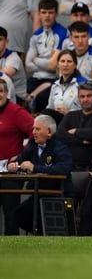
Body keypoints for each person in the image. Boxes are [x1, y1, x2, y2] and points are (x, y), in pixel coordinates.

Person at [7, 114, 73, 234]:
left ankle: (44, 234)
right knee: (18, 214)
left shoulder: (61, 148)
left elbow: (64, 168)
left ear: (49, 132)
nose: (33, 133)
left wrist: (35, 168)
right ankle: (40, 234)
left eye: (37, 129)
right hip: (38, 194)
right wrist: (13, 165)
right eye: (33, 129)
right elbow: (19, 160)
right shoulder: (33, 146)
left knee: (28, 214)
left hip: (57, 195)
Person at [56, 80, 92, 236]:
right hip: (70, 169)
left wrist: (75, 131)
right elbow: (60, 135)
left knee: (87, 210)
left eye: (89, 96)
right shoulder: (71, 115)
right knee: (68, 208)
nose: (85, 99)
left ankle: (84, 240)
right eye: (82, 96)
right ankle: (67, 239)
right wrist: (82, 139)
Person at [0, 79, 34, 235]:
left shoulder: (16, 112)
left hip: (10, 173)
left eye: (1, 91)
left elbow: (37, 133)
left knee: (10, 215)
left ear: (7, 93)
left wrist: (22, 155)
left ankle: (12, 249)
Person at [25, 0, 69, 113]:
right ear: (39, 14)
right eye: (44, 12)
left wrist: (36, 59)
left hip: (53, 79)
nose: (47, 16)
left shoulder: (62, 33)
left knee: (42, 99)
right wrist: (45, 62)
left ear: (56, 14)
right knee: (17, 96)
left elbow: (53, 67)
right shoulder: (36, 35)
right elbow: (28, 66)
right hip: (35, 78)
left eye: (50, 13)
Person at [43, 50, 87, 123]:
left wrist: (68, 112)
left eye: (69, 61)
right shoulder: (55, 86)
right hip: (58, 122)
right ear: (58, 64)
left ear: (75, 65)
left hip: (76, 122)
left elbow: (87, 109)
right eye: (62, 61)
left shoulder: (82, 84)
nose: (65, 64)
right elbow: (50, 108)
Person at [0, 26, 27, 105]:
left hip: (16, 96)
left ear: (6, 41)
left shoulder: (13, 57)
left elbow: (5, 74)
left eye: (0, 39)